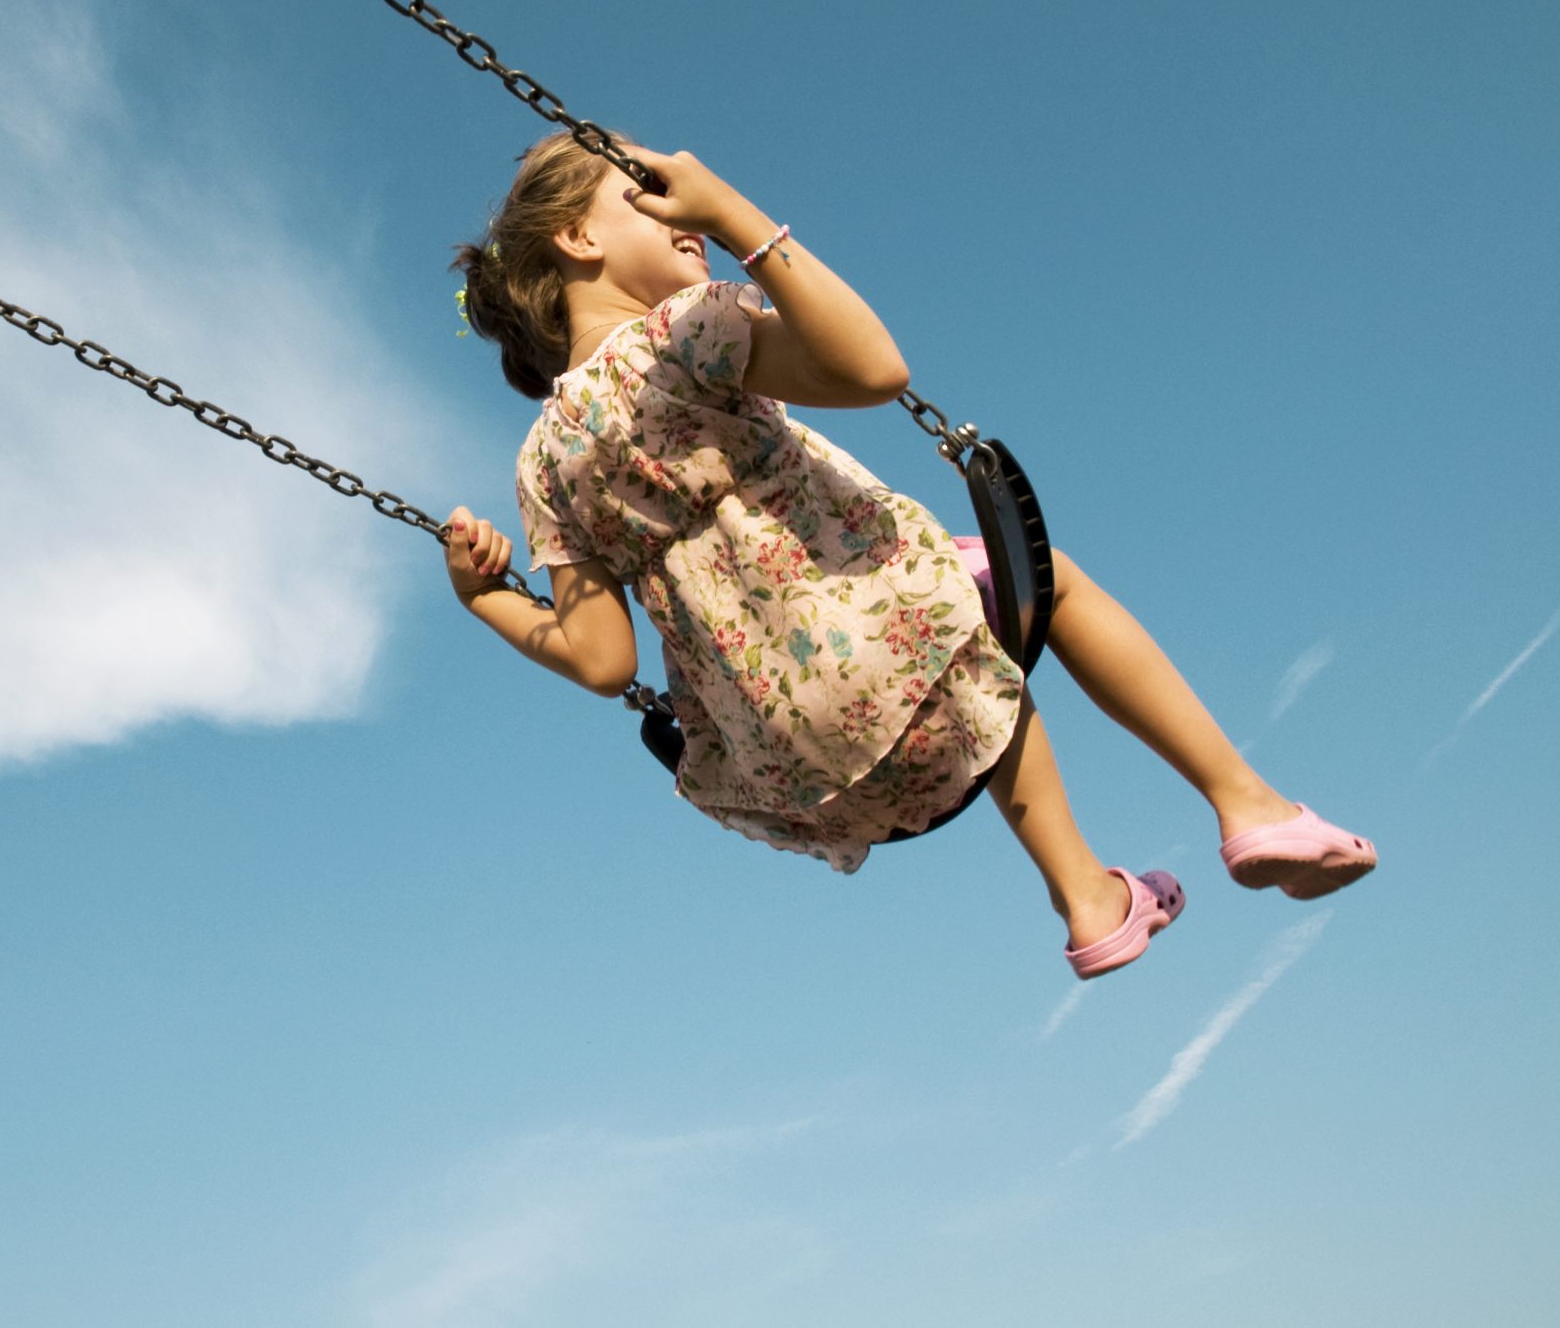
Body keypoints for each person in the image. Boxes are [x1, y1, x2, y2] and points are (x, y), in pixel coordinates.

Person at [444, 131, 1375, 978]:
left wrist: (488, 599)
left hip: (786, 759)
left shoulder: (538, 466)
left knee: (965, 652)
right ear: (578, 238)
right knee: (1034, 589)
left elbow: (603, 662)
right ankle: (1245, 803)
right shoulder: (685, 333)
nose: (677, 207)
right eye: (644, 187)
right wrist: (733, 213)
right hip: (878, 636)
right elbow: (875, 371)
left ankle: (1089, 898)